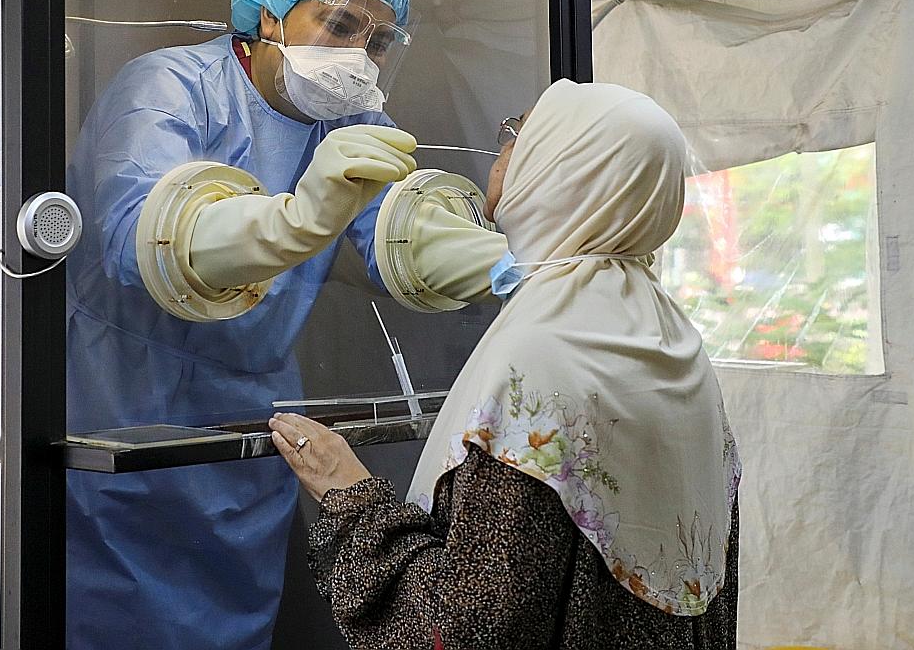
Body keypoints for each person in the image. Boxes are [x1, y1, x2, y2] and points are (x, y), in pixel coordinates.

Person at [64, 0, 508, 650]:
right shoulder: (171, 86)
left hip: (254, 401)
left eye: (380, 40)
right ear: (269, 18)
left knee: (233, 608)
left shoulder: (353, 121)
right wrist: (298, 218)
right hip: (124, 394)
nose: (360, 54)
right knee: (118, 608)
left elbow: (401, 241)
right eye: (339, 25)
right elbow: (136, 235)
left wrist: (522, 269)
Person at [269, 80, 742, 650]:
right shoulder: (673, 337)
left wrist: (349, 496)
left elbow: (467, 628)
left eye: (519, 135)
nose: (503, 151)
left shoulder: (540, 364)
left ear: (562, 169)